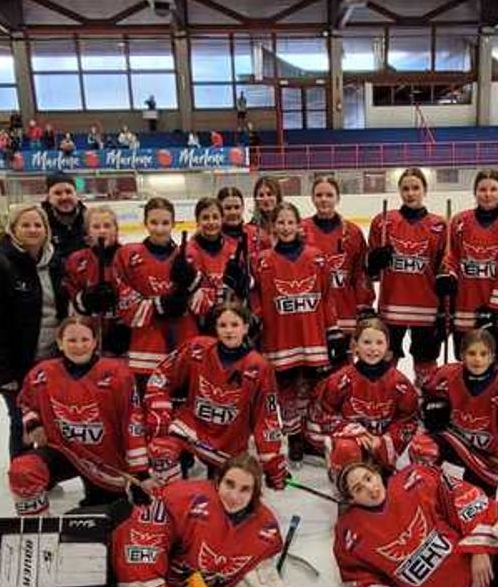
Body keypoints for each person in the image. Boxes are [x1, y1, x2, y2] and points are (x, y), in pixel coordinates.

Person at [111, 453, 308, 587]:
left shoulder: (266, 528)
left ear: (255, 493)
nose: (234, 496)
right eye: (229, 484)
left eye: (245, 489)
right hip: (132, 575)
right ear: (217, 481)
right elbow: (141, 540)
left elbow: (253, 563)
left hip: (192, 586)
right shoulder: (181, 498)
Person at [7, 315, 151, 515]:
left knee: (108, 515)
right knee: (23, 470)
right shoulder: (42, 374)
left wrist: (140, 471)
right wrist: (33, 424)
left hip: (106, 461)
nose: (79, 346)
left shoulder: (118, 374)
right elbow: (25, 403)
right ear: (60, 343)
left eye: (85, 340)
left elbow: (133, 423)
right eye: (71, 340)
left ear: (95, 342)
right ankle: (36, 528)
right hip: (63, 451)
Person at [332, 458, 498, 587]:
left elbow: (462, 496)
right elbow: (356, 569)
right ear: (351, 499)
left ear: (376, 474)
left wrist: (479, 548)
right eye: (358, 489)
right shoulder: (350, 530)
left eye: (368, 478)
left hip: (482, 558)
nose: (370, 488)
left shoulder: (414, 479)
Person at [144, 301, 287, 488]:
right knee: (161, 450)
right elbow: (161, 376)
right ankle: (173, 499)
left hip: (230, 443)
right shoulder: (197, 348)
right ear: (216, 328)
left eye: (235, 325)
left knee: (223, 499)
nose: (229, 331)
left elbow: (267, 416)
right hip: (191, 430)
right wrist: (159, 406)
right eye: (223, 325)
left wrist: (271, 458)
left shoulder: (259, 367)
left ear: (245, 328)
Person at [251, 202, 345, 463]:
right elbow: (255, 296)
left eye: (290, 222)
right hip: (279, 338)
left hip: (312, 336)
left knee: (313, 389)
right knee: (287, 391)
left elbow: (327, 296)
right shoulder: (261, 261)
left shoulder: (316, 257)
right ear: (273, 226)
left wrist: (333, 329)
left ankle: (309, 435)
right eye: (280, 222)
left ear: (298, 225)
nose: (285, 227)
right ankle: (293, 436)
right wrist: (256, 319)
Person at [0, 204, 69, 457]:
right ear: (13, 229)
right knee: (22, 421)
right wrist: (4, 371)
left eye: (38, 225)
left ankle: (45, 472)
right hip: (16, 364)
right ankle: (24, 478)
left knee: (51, 419)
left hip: (51, 358)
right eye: (25, 225)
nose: (32, 230)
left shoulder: (56, 263)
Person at [417, 329, 498, 496]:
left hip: (487, 458)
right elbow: (425, 396)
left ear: (492, 356)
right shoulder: (446, 375)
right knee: (423, 448)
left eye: (484, 354)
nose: (478, 359)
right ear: (461, 355)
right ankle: (429, 495)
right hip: (455, 443)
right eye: (472, 353)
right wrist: (430, 408)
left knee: (477, 505)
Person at [367, 167, 448, 389]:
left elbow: (445, 267)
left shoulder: (439, 226)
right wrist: (374, 260)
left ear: (425, 190)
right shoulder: (384, 222)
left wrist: (444, 308)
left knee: (426, 362)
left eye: (415, 188)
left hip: (427, 307)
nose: (410, 193)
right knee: (386, 359)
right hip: (392, 305)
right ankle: (387, 399)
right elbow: (369, 269)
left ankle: (424, 401)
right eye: (405, 189)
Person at [306, 316, 419, 470]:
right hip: (352, 439)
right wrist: (354, 431)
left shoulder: (400, 383)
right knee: (347, 449)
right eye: (367, 342)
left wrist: (384, 441)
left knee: (382, 466)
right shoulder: (340, 380)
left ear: (387, 347)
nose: (373, 348)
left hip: (381, 441)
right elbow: (325, 414)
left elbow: (408, 419)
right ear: (355, 346)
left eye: (379, 343)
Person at [439, 168, 498, 366]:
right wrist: (448, 275)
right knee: (467, 364)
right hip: (465, 305)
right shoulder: (459, 222)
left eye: (493, 189)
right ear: (475, 192)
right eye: (482, 189)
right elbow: (452, 257)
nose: (488, 194)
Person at [113, 197, 200, 390]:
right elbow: (123, 300)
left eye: (165, 223)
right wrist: (159, 305)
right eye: (154, 222)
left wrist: (191, 284)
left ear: (174, 224)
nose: (159, 229)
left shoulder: (189, 255)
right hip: (146, 347)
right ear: (144, 223)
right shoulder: (128, 256)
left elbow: (204, 300)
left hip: (184, 339)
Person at [301, 176, 375, 336]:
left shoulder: (353, 232)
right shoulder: (302, 230)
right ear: (312, 198)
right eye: (319, 195)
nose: (324, 200)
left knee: (346, 361)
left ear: (338, 198)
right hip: (312, 312)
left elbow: (360, 273)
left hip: (345, 313)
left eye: (329, 195)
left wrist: (364, 305)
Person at [63, 205, 130, 357]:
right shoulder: (77, 260)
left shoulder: (128, 257)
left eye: (107, 226)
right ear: (88, 231)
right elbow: (71, 297)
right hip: (88, 340)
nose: (102, 231)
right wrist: (85, 299)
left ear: (116, 229)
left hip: (124, 338)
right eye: (96, 226)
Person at [185, 197, 244, 331]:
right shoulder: (188, 252)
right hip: (199, 325)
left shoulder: (233, 249)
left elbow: (241, 291)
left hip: (229, 325)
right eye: (205, 217)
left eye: (215, 217)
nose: (211, 222)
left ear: (222, 219)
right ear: (197, 221)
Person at [41, 171, 88, 260]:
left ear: (76, 193)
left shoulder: (88, 219)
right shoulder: (40, 222)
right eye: (57, 193)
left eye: (68, 192)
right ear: (48, 196)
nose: (64, 197)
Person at [248, 176, 283, 253]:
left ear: (278, 196)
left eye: (269, 194)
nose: (266, 199)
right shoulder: (250, 229)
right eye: (261, 195)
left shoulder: (290, 224)